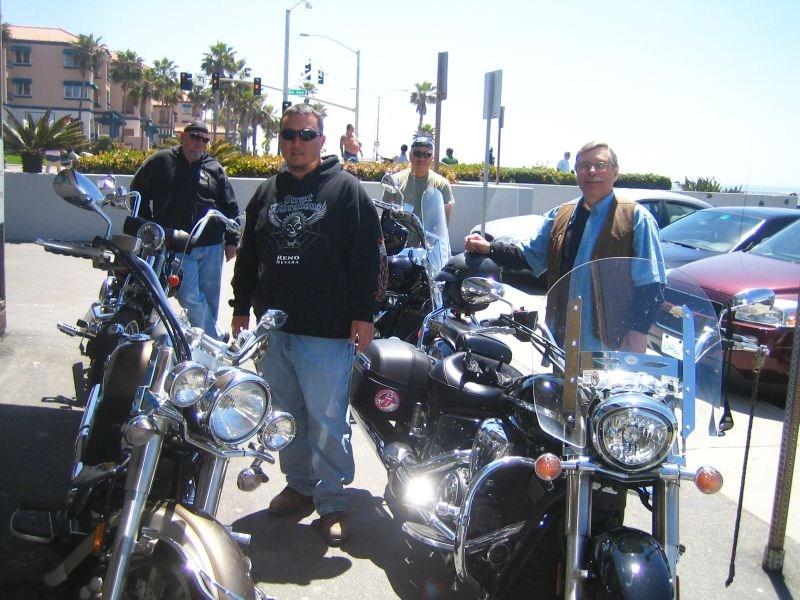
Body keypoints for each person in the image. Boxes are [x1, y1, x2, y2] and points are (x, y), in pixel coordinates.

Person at [230, 104, 385, 546]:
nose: (296, 143)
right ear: (280, 139)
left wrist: (364, 314)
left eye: (306, 134)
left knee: (327, 418)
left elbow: (368, 257)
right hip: (274, 329)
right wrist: (241, 307)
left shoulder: (346, 190)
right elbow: (249, 254)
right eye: (289, 134)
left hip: (326, 329)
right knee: (286, 415)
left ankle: (332, 501)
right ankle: (299, 485)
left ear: (321, 139)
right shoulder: (267, 192)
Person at [465, 141, 665, 352]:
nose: (592, 171)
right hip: (561, 341)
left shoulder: (636, 218)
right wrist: (490, 248)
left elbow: (653, 285)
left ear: (615, 172)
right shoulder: (561, 215)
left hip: (609, 347)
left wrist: (638, 332)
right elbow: (530, 256)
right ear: (576, 172)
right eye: (584, 166)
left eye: (600, 164)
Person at [131, 121, 239, 340]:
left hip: (211, 245)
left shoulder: (215, 168)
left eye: (204, 139)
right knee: (189, 296)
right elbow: (137, 192)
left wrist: (231, 241)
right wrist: (150, 226)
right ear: (182, 137)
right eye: (194, 137)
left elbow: (230, 207)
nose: (199, 143)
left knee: (209, 299)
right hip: (177, 245)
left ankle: (204, 346)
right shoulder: (161, 161)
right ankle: (214, 338)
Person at [381, 136, 455, 242]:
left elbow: (443, 224)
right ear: (410, 155)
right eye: (417, 153)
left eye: (427, 154)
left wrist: (429, 244)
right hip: (398, 246)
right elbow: (387, 217)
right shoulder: (395, 181)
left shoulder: (442, 184)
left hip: (429, 247)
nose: (422, 158)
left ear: (432, 157)